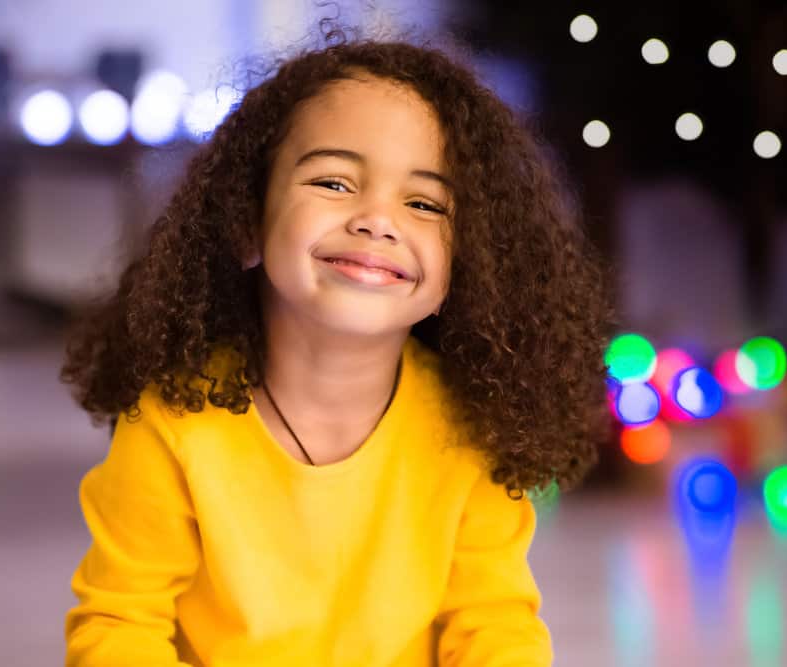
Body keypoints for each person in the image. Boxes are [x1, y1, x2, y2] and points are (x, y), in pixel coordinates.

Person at [61, 18, 613, 667]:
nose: (377, 219)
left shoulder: (473, 427)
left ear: (469, 266)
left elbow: (495, 624)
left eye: (426, 204)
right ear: (247, 219)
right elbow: (120, 621)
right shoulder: (170, 422)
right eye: (333, 182)